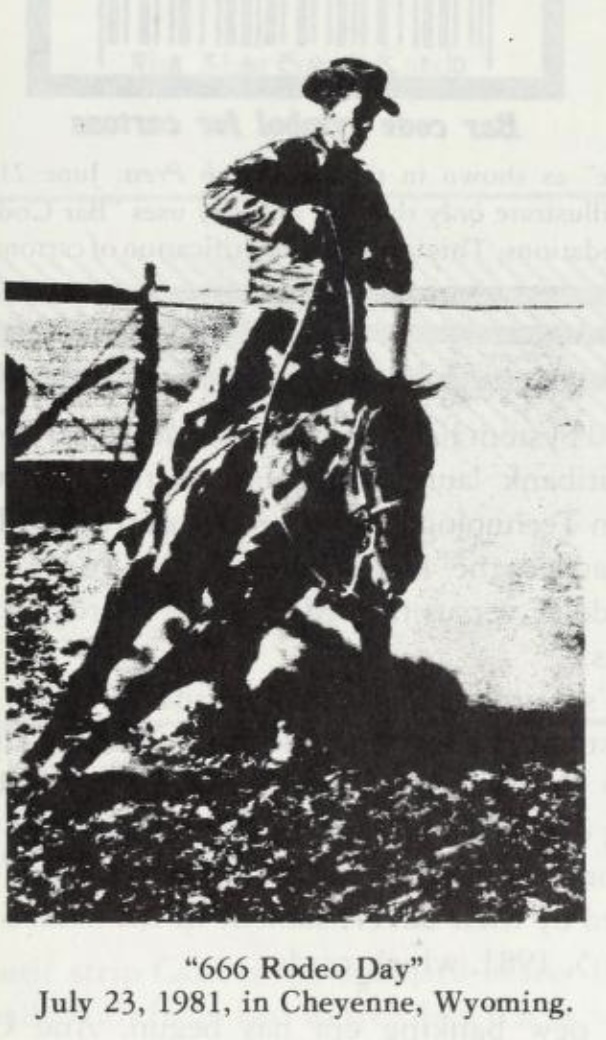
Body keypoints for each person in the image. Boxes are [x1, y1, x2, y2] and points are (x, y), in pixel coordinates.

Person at [25, 58, 435, 773]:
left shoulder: (363, 184)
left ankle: (354, 577)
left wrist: (375, 253)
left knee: (387, 438)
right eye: (358, 112)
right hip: (272, 333)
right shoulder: (284, 159)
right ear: (329, 108)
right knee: (203, 418)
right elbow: (216, 193)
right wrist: (289, 220)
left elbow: (398, 268)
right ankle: (142, 524)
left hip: (337, 349)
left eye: (373, 117)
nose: (365, 126)